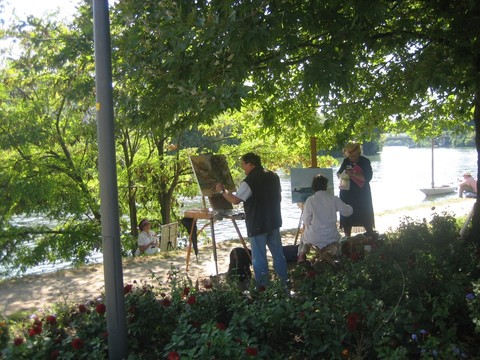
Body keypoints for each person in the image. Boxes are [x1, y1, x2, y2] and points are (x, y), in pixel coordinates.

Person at [215, 152, 288, 288]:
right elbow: (278, 195)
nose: (243, 168)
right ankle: (284, 284)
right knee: (278, 255)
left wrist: (222, 191)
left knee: (259, 258)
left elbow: (235, 200)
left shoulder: (250, 180)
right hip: (273, 221)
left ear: (250, 164)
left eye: (243, 164)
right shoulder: (273, 175)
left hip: (258, 224)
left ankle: (262, 288)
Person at [297, 174, 353, 261]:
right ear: (326, 186)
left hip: (314, 237)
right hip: (331, 236)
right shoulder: (333, 199)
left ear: (313, 186)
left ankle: (301, 257)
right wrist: (349, 206)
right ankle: (329, 256)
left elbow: (306, 221)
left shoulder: (310, 200)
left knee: (303, 238)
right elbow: (347, 212)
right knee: (337, 238)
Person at [337, 142, 375, 237]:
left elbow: (367, 178)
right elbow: (338, 174)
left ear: (358, 153)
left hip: (361, 194)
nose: (351, 158)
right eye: (349, 156)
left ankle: (370, 236)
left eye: (353, 156)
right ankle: (347, 238)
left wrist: (353, 174)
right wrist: (344, 173)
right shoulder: (346, 161)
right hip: (347, 193)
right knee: (347, 217)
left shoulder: (365, 161)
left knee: (365, 215)